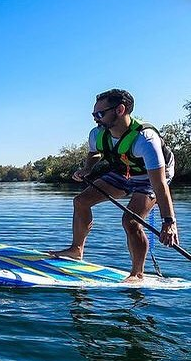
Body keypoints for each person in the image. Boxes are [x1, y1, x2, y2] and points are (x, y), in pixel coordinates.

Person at [52, 89, 179, 281]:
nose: (96, 119)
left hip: (151, 177)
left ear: (120, 110)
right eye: (94, 114)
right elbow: (95, 152)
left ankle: (137, 273)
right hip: (124, 171)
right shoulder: (97, 134)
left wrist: (169, 222)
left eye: (100, 114)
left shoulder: (145, 140)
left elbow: (160, 184)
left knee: (131, 220)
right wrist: (88, 169)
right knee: (81, 201)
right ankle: (76, 250)